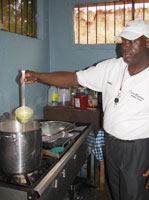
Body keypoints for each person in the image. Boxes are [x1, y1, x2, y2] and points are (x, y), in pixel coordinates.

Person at [21, 20, 149, 200]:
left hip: (139, 149)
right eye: (123, 41)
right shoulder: (112, 67)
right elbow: (74, 78)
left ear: (148, 42)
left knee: (135, 195)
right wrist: (40, 76)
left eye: (131, 41)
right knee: (118, 192)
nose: (125, 46)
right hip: (111, 144)